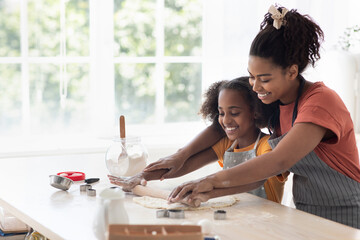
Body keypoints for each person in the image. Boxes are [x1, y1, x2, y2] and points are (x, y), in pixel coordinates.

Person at [166, 5, 360, 229]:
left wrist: (209, 181)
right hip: (305, 213)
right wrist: (190, 167)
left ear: (292, 72)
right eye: (251, 77)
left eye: (264, 79)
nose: (256, 87)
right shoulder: (274, 104)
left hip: (347, 217)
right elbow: (226, 126)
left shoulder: (320, 102)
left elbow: (278, 161)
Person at [109, 77, 288, 203]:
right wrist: (141, 176)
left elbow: (254, 178)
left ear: (255, 112)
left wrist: (207, 188)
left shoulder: (268, 147)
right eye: (221, 113)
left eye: (234, 113)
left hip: (268, 220)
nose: (226, 120)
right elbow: (184, 165)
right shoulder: (227, 144)